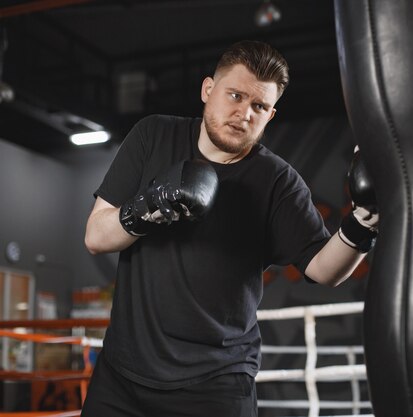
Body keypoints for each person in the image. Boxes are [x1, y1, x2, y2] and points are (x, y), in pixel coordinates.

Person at [82, 40, 378, 417]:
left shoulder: (277, 181)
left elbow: (322, 269)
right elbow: (95, 236)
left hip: (216, 384)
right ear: (208, 90)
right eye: (234, 96)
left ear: (271, 115)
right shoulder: (152, 136)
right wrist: (149, 206)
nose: (244, 113)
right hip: (122, 376)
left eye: (259, 106)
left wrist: (363, 222)